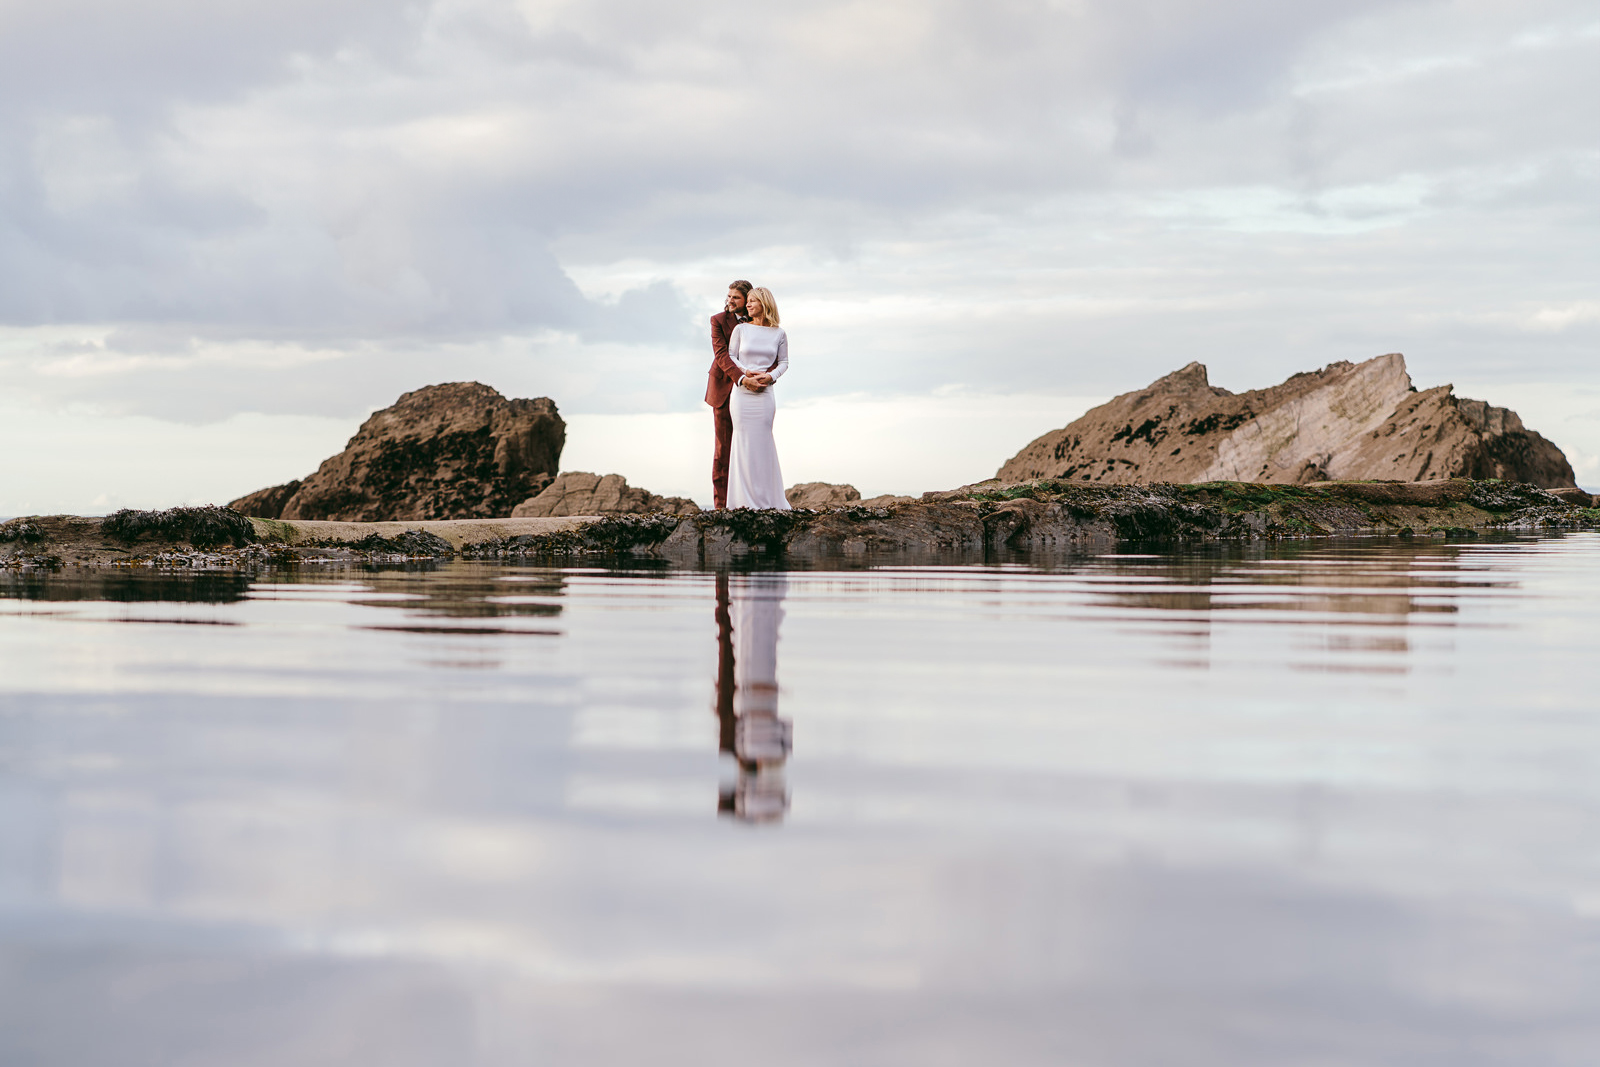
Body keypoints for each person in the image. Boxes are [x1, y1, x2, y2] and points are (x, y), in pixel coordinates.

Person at [725, 287, 791, 510]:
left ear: (765, 304)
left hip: (765, 394)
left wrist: (770, 376)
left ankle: (769, 500)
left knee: (763, 443)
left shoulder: (779, 333)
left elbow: (784, 363)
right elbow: (731, 356)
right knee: (743, 443)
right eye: (748, 301)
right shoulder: (741, 329)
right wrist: (746, 373)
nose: (748, 304)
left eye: (753, 301)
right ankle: (742, 501)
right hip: (742, 394)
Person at [705, 281, 752, 509]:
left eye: (736, 297)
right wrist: (741, 378)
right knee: (723, 448)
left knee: (748, 446)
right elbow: (721, 355)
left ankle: (747, 500)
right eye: (729, 296)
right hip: (724, 388)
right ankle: (721, 505)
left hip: (751, 392)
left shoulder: (758, 322)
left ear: (747, 300)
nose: (730, 300)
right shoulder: (718, 320)